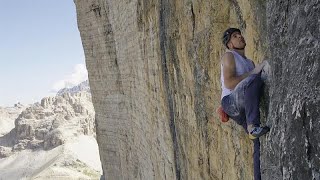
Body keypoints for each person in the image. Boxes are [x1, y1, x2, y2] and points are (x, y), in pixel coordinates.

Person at [220, 28, 270, 180]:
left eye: (239, 34)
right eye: (235, 36)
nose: (240, 37)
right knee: (255, 79)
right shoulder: (229, 56)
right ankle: (252, 126)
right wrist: (255, 72)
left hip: (242, 103)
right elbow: (229, 83)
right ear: (230, 44)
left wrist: (255, 70)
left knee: (257, 141)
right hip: (231, 102)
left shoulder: (249, 62)